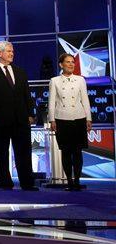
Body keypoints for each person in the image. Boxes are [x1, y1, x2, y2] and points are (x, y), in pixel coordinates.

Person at [0, 41, 38, 191]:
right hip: (0, 119)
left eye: (12, 51)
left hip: (21, 119)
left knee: (24, 152)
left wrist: (30, 114)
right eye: (8, 51)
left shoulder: (20, 72)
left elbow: (27, 95)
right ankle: (5, 182)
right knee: (2, 152)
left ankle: (27, 182)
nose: (12, 54)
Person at [48, 53, 92, 191]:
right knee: (66, 151)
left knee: (77, 151)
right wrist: (52, 119)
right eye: (68, 62)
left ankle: (77, 180)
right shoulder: (54, 80)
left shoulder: (80, 80)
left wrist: (88, 118)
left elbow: (85, 100)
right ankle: (69, 181)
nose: (71, 64)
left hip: (79, 118)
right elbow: (52, 101)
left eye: (72, 62)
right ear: (61, 65)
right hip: (62, 119)